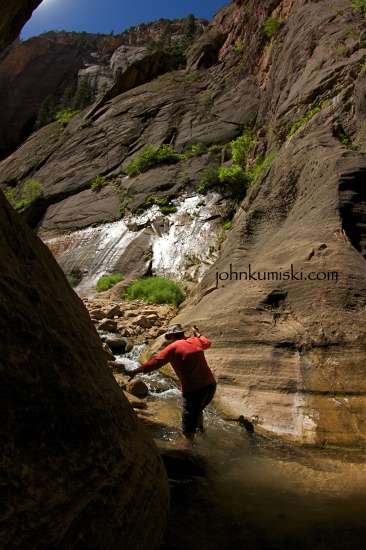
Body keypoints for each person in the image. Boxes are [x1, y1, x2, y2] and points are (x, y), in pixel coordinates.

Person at [119, 323, 216, 443]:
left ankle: (191, 447)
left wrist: (135, 371)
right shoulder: (196, 340)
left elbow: (156, 362)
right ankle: (201, 431)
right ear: (182, 333)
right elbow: (207, 343)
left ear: (171, 336)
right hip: (210, 386)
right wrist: (197, 333)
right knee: (198, 409)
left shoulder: (173, 348)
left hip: (193, 390)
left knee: (187, 424)